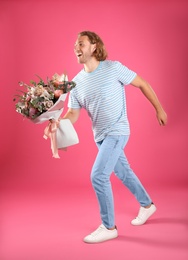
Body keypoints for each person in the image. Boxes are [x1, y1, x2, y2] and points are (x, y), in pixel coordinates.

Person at [60, 31, 167, 243]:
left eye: (81, 43)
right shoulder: (76, 82)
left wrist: (159, 109)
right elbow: (72, 114)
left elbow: (143, 83)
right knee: (123, 171)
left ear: (93, 46)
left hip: (117, 131)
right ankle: (147, 205)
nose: (76, 48)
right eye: (74, 45)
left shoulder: (113, 68)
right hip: (99, 136)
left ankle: (109, 227)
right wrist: (56, 123)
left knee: (98, 176)